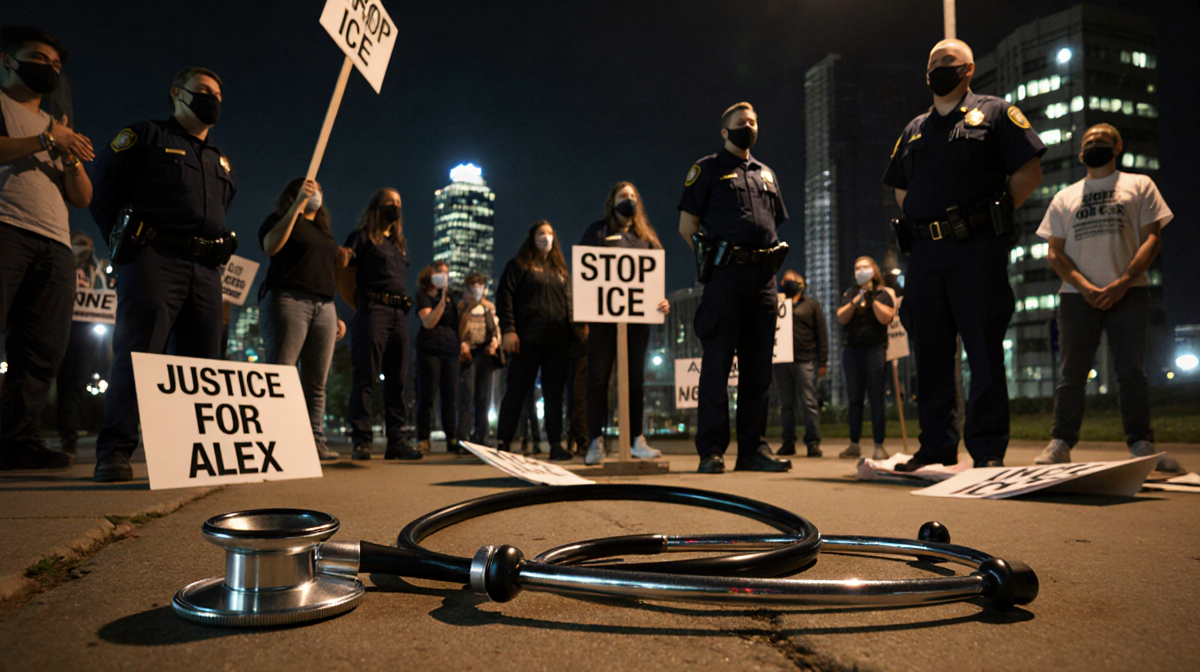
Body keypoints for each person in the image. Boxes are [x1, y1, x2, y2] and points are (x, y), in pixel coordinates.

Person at [883, 39, 1045, 471]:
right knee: (931, 354)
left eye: (948, 61)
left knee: (984, 350)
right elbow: (900, 188)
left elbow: (1029, 172)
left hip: (976, 250)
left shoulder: (995, 113)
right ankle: (935, 446)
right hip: (925, 255)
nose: (939, 67)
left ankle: (987, 449)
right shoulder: (914, 128)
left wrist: (990, 216)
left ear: (969, 68)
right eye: (933, 62)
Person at [88, 67, 239, 482]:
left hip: (205, 269)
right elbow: (103, 192)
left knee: (201, 369)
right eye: (203, 90)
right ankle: (115, 451)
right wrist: (125, 246)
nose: (212, 99)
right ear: (176, 93)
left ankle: (190, 455)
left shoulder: (220, 159)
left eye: (217, 95)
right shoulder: (145, 136)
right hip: (153, 258)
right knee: (141, 356)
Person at [1033, 124, 1181, 473]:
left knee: (1132, 371)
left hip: (1130, 292)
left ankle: (1141, 444)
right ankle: (1061, 443)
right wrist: (1084, 286)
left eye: (1102, 140)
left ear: (1118, 147)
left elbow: (1152, 238)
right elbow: (1054, 252)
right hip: (1076, 297)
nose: (1094, 144)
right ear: (1079, 152)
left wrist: (1124, 282)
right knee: (1072, 372)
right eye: (1089, 141)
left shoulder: (1139, 185)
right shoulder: (1064, 197)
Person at [678, 102, 791, 474]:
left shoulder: (766, 174)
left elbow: (771, 223)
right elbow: (687, 226)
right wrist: (713, 259)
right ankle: (711, 451)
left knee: (759, 370)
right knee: (717, 365)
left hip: (763, 281)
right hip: (725, 279)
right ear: (724, 131)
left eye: (753, 122)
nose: (749, 126)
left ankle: (752, 450)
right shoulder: (707, 169)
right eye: (742, 122)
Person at [0, 26, 93, 470]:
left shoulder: (58, 125)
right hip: (6, 228)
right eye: (39, 58)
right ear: (7, 61)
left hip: (55, 243)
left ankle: (19, 439)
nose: (50, 69)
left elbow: (83, 197)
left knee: (41, 348)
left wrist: (67, 152)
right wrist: (45, 140)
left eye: (56, 65)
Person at [258, 177, 351, 463]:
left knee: (316, 382)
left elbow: (323, 273)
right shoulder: (280, 220)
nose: (316, 193)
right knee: (281, 375)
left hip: (324, 307)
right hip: (289, 300)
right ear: (295, 193)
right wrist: (296, 208)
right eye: (310, 188)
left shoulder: (324, 233)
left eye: (319, 189)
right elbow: (271, 246)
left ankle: (314, 443)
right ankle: (275, 442)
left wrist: (335, 312)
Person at [580, 182, 669, 465]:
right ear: (612, 202)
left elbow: (653, 277)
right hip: (603, 320)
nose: (628, 200)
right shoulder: (597, 232)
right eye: (623, 196)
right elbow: (584, 273)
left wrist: (661, 301)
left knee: (635, 380)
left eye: (632, 196)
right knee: (598, 379)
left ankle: (636, 439)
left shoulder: (647, 237)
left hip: (638, 321)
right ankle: (595, 441)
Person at [338, 188, 421, 461]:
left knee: (397, 380)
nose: (395, 206)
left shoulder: (398, 245)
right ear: (377, 206)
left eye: (398, 202)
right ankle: (362, 440)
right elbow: (344, 270)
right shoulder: (362, 237)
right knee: (365, 376)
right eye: (390, 201)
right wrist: (358, 303)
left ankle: (397, 440)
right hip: (373, 310)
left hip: (399, 314)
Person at [495, 221, 576, 462]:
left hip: (557, 342)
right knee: (517, 391)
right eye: (541, 233)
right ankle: (503, 442)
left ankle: (555, 444)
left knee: (554, 395)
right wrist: (509, 330)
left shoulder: (561, 271)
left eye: (550, 233)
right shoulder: (518, 266)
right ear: (532, 237)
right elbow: (505, 297)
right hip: (526, 339)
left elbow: (570, 303)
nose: (546, 237)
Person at [834, 257, 895, 461]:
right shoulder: (850, 293)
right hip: (853, 351)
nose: (861, 270)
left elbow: (886, 317)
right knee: (854, 399)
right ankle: (854, 443)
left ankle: (879, 444)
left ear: (873, 270)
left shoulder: (883, 294)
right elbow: (841, 317)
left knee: (876, 398)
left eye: (865, 267)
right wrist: (856, 300)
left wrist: (871, 300)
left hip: (875, 350)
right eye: (857, 267)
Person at [55, 231, 109, 456]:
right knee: (61, 378)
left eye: (89, 244)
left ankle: (70, 434)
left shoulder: (96, 272)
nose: (86, 248)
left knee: (78, 381)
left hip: (85, 331)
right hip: (62, 325)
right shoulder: (61, 265)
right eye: (81, 243)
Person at [774, 270, 827, 458]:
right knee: (786, 404)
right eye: (784, 280)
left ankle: (812, 442)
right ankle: (788, 442)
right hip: (782, 360)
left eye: (790, 280)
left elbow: (821, 334)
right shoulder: (777, 306)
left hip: (805, 359)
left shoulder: (811, 306)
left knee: (808, 402)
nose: (786, 283)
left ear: (800, 284)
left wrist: (823, 361)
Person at [415, 260, 466, 454]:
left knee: (450, 396)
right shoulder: (424, 296)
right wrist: (441, 302)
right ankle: (423, 438)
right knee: (427, 395)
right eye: (439, 272)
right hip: (430, 349)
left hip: (450, 350)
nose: (443, 276)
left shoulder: (452, 298)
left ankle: (451, 438)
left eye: (446, 272)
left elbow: (457, 325)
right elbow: (429, 322)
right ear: (431, 273)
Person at [455, 272, 499, 448]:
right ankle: (463, 436)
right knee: (467, 395)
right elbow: (457, 329)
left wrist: (494, 342)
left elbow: (495, 329)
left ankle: (482, 435)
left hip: (484, 354)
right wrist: (461, 344)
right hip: (467, 354)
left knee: (483, 397)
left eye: (480, 286)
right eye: (473, 286)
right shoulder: (462, 307)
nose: (476, 289)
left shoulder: (489, 307)